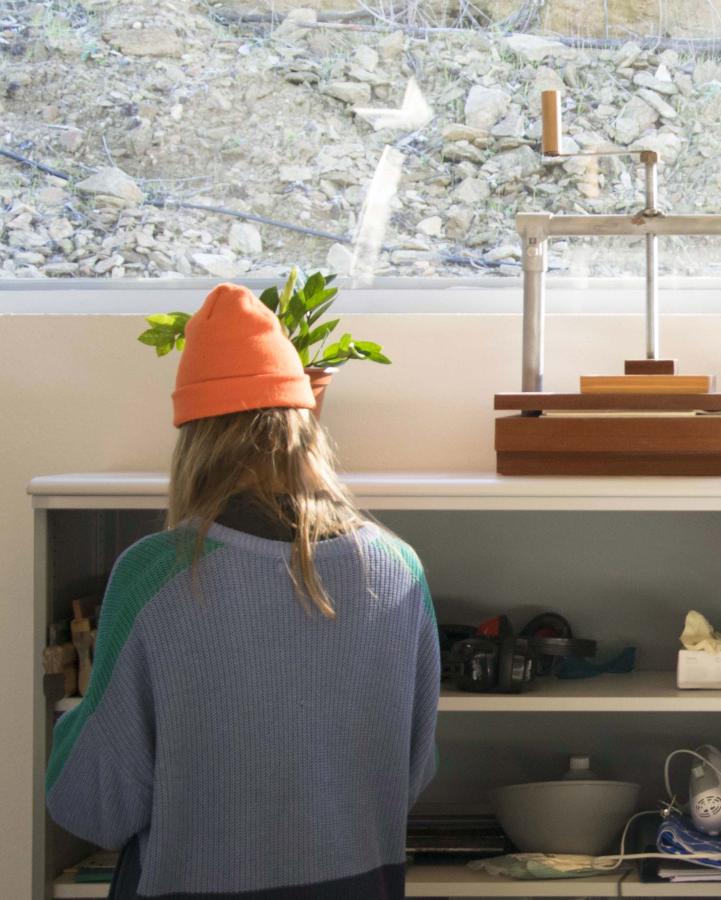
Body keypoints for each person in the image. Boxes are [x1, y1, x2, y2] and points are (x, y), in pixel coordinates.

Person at [46, 283, 439, 899]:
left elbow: (96, 804)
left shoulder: (154, 574)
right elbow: (409, 774)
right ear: (304, 426)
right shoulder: (397, 566)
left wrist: (75, 721)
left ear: (195, 442)